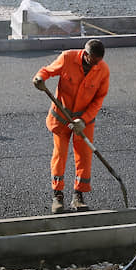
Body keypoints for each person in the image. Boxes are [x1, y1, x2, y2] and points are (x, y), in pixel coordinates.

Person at [32, 39, 110, 214]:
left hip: (84, 121)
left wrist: (83, 120)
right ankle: (57, 195)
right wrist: (39, 79)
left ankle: (79, 196)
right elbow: (47, 71)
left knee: (84, 157)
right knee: (60, 154)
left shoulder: (102, 70)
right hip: (62, 117)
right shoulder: (68, 58)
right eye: (95, 61)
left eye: (100, 61)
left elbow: (99, 99)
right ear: (87, 55)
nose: (98, 64)